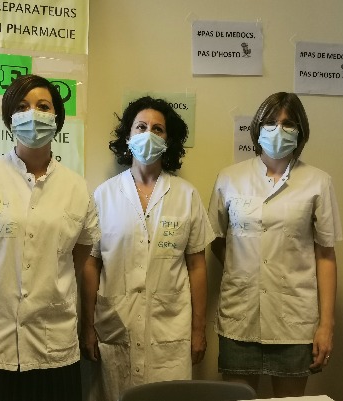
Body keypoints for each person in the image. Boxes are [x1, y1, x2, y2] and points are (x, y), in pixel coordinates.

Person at [0, 74, 98, 401]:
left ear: (57, 118)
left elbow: (76, 261)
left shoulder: (76, 188)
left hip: (50, 344)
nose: (33, 114)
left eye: (43, 106)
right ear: (9, 118)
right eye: (22, 106)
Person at [207, 92, 342, 397]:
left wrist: (326, 325)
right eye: (270, 122)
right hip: (240, 316)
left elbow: (325, 254)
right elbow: (216, 239)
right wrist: (243, 270)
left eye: (288, 123)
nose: (278, 130)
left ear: (300, 131)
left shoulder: (318, 182)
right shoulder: (229, 178)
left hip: (293, 321)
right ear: (257, 128)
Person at [81, 96, 214, 401]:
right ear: (128, 136)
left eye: (158, 129)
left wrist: (198, 330)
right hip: (115, 329)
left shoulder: (186, 196)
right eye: (141, 127)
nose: (149, 134)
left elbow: (197, 266)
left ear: (168, 141)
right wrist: (88, 326)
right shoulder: (104, 195)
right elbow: (91, 264)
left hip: (170, 333)